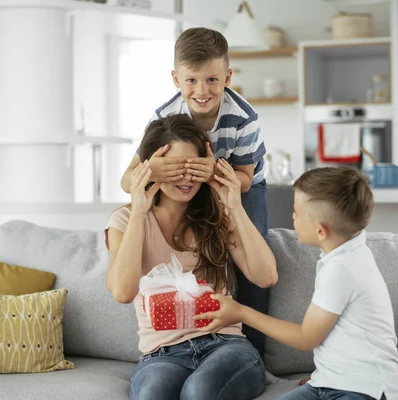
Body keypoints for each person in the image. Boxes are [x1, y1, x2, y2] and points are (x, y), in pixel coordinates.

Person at [119, 26, 271, 356]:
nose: (201, 90)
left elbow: (244, 177)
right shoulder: (164, 116)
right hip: (193, 188)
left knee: (254, 244)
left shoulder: (244, 118)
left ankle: (256, 350)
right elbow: (126, 180)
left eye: (212, 80)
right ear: (176, 79)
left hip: (240, 183)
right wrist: (152, 172)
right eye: (191, 80)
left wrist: (216, 173)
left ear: (227, 76)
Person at [105, 114, 278, 400]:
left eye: (193, 167)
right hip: (162, 356)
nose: (186, 177)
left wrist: (233, 204)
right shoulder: (125, 221)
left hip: (225, 345)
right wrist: (138, 211)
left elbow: (266, 276)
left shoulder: (218, 215)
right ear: (153, 170)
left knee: (200, 391)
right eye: (174, 168)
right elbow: (123, 292)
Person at [195, 166, 398, 400]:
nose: (292, 217)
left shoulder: (343, 268)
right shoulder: (346, 250)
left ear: (321, 231)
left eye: (296, 212)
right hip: (330, 383)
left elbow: (307, 337)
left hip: (366, 390)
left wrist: (241, 312)